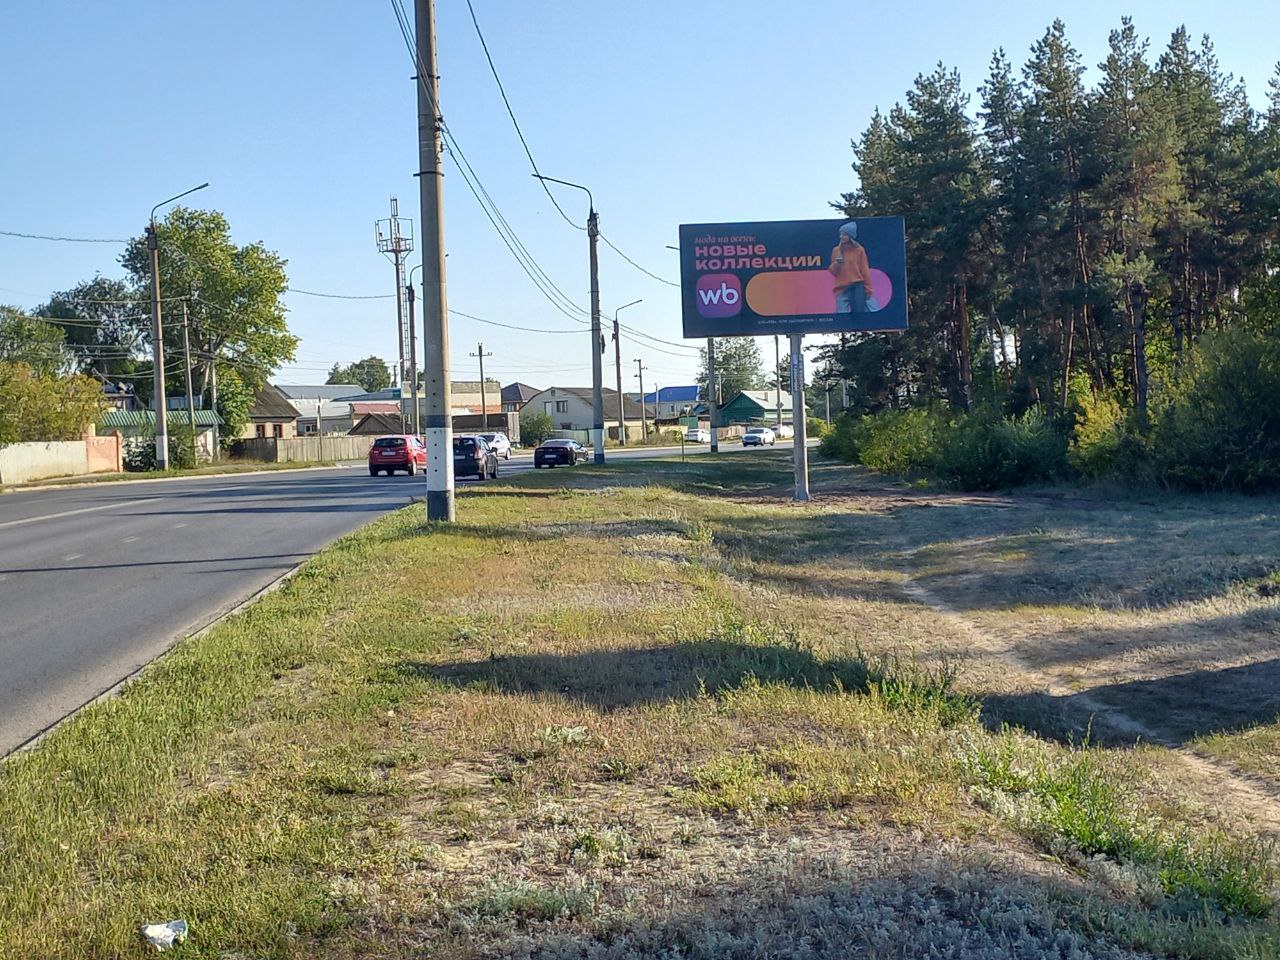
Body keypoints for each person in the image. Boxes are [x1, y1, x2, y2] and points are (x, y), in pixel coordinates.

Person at [829, 221, 871, 313]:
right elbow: (832, 271)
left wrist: (868, 288)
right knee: (842, 314)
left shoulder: (859, 250)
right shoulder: (836, 250)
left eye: (844, 235)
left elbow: (864, 270)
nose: (841, 237)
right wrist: (837, 264)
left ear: (850, 236)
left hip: (857, 287)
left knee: (859, 315)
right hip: (841, 287)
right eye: (840, 234)